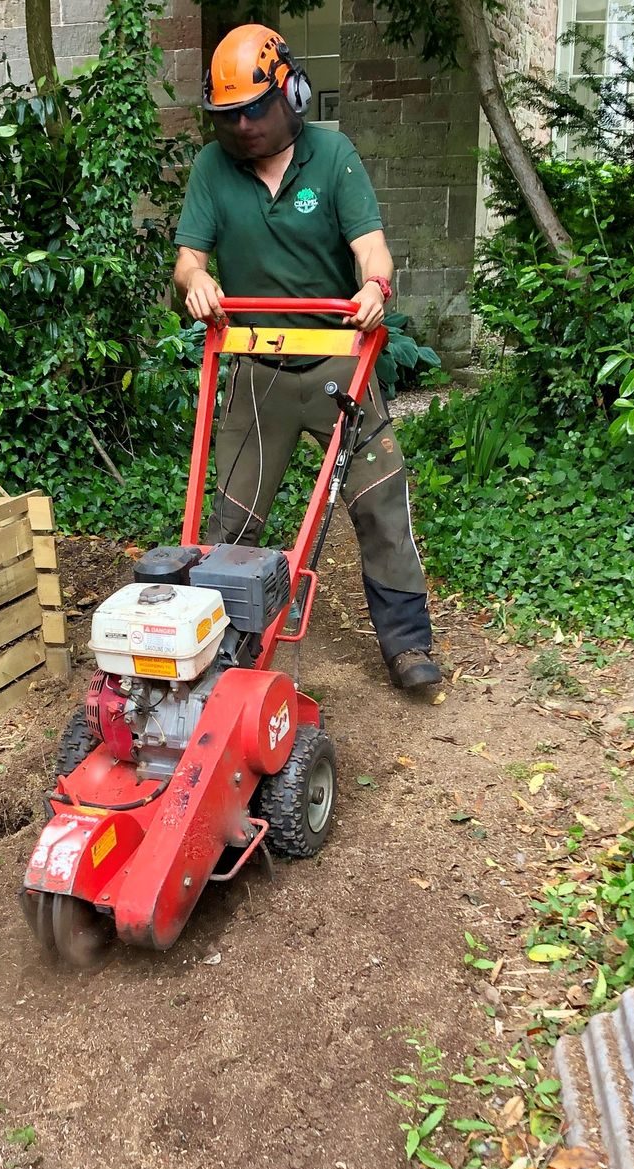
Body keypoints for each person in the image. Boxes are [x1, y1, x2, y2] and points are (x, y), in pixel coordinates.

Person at [173, 24, 442, 692]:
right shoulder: (214, 168)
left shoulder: (333, 156)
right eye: (227, 116)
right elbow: (189, 260)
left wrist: (375, 287)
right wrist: (196, 283)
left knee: (380, 501)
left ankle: (408, 647)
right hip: (255, 369)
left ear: (290, 92)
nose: (241, 127)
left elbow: (372, 249)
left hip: (336, 369)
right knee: (232, 522)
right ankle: (223, 647)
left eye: (253, 110)